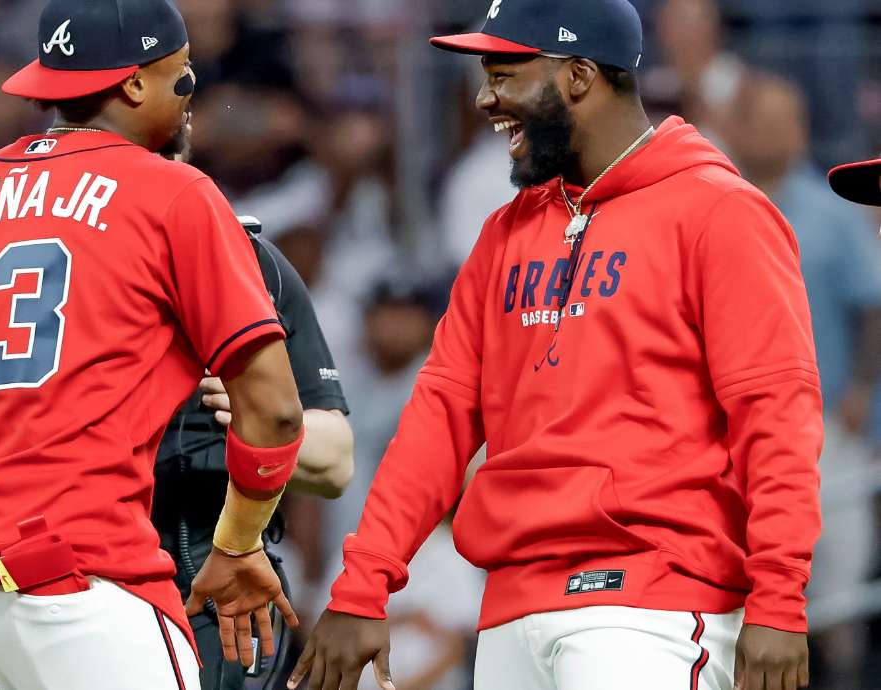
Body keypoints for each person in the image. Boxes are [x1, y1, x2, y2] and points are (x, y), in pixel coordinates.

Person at [288, 1, 822, 689]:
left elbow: (777, 415)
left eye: (506, 74)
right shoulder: (506, 232)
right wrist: (363, 585)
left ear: (577, 76)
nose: (485, 99)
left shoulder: (718, 211)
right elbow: (439, 419)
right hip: (512, 607)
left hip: (650, 606)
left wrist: (779, 600)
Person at [0, 0, 307, 688]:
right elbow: (276, 411)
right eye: (181, 79)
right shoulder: (173, 192)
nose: (191, 99)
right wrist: (239, 543)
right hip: (76, 591)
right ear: (133, 84)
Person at [723, 75, 881, 690]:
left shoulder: (831, 208)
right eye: (764, 118)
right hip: (733, 435)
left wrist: (861, 393)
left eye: (790, 119)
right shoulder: (713, 200)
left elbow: (871, 306)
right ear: (737, 126)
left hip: (823, 424)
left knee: (838, 585)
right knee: (741, 592)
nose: (779, 133)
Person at [154, 217, 353, 690]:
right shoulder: (84, 253)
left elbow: (337, 460)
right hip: (94, 575)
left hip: (212, 586)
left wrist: (259, 422)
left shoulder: (246, 253)